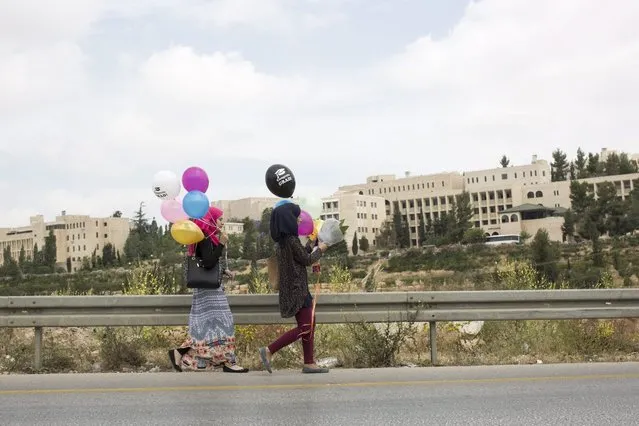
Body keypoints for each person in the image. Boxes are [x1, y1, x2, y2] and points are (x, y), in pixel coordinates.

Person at [168, 206, 248, 373]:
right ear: (211, 220)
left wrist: (224, 271)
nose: (222, 222)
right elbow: (209, 262)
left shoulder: (206, 238)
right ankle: (228, 362)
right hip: (210, 291)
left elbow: (207, 264)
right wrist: (222, 244)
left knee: (208, 327)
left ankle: (183, 352)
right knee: (225, 323)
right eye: (219, 219)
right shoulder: (204, 238)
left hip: (205, 289)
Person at [258, 202, 329, 374]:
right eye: (296, 216)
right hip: (298, 289)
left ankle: (309, 362)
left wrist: (311, 243)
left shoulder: (283, 241)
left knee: (308, 324)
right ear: (288, 219)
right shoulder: (291, 240)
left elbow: (300, 256)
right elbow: (306, 260)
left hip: (292, 288)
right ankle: (269, 350)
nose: (299, 219)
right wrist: (321, 250)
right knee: (306, 326)